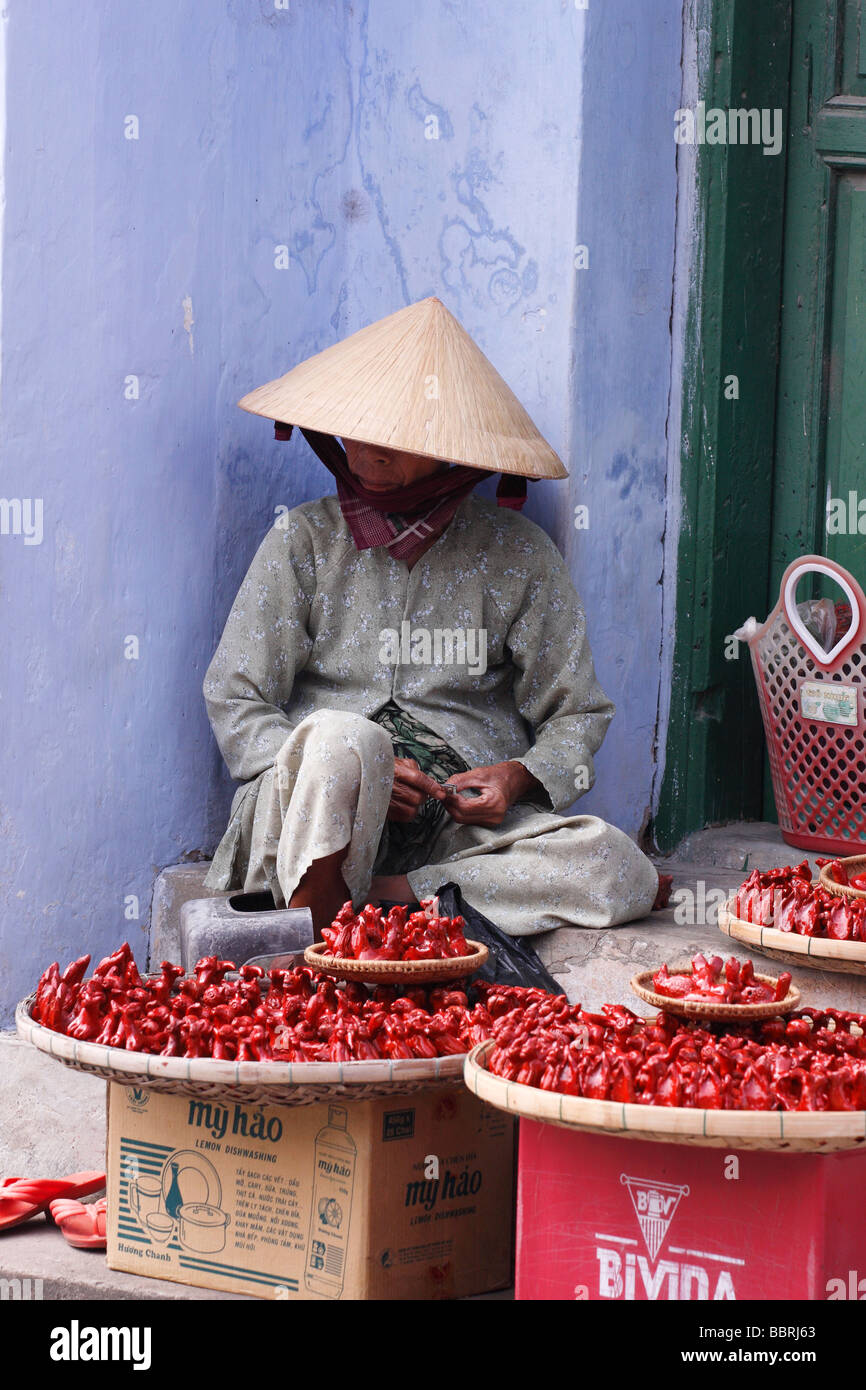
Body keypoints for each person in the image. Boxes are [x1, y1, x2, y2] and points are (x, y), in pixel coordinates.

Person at [203, 297, 666, 935]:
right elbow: (236, 698)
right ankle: (322, 907)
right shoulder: (302, 540)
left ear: (448, 450)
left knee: (618, 868)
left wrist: (519, 777)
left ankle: (381, 901)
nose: (364, 456)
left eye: (391, 441)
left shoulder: (520, 554)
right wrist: (349, 769)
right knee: (347, 739)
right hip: (312, 814)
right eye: (352, 434)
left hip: (453, 832)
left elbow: (577, 714)